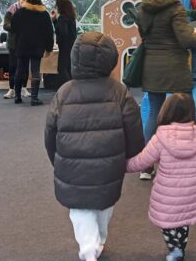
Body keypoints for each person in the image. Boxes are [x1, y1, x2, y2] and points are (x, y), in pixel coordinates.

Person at [45, 32, 144, 261]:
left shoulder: (64, 92)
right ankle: (96, 243)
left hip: (71, 164)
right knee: (104, 204)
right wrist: (130, 157)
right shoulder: (119, 92)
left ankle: (90, 247)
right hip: (109, 164)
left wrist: (56, 160)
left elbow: (50, 132)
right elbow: (134, 128)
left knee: (80, 209)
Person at [126, 93, 196, 261]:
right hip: (192, 192)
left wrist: (122, 165)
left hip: (167, 194)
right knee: (184, 222)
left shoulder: (160, 137)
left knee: (167, 223)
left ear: (166, 111)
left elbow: (142, 161)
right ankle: (180, 249)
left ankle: (174, 248)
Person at [137, 0, 196, 180]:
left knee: (154, 112)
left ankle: (146, 167)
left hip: (152, 67)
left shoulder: (145, 8)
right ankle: (191, 161)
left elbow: (145, 35)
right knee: (187, 113)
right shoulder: (176, 8)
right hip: (175, 68)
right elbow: (185, 40)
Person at [10, 0, 54, 106]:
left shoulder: (21, 12)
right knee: (35, 71)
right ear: (40, 0)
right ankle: (34, 98)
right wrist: (49, 48)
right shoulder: (44, 14)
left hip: (22, 45)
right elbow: (49, 32)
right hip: (37, 46)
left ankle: (18, 96)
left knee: (20, 70)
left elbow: (13, 27)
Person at [2, 0, 29, 100]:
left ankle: (24, 88)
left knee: (25, 66)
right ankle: (11, 89)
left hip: (26, 42)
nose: (25, 1)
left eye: (27, 0)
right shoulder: (11, 10)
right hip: (13, 42)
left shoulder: (31, 12)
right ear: (18, 0)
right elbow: (5, 25)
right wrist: (16, 27)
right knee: (13, 65)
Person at [52, 0, 77, 90]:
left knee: (62, 68)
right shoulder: (71, 17)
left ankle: (68, 87)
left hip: (64, 46)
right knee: (68, 67)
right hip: (72, 44)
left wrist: (59, 40)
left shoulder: (62, 18)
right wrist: (54, 20)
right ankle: (70, 87)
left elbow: (62, 32)